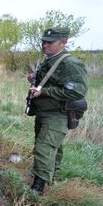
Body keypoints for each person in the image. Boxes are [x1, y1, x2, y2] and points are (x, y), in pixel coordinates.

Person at [27, 27, 88, 194]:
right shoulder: (50, 59)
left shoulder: (70, 63)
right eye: (43, 42)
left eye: (49, 42)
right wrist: (35, 78)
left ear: (63, 42)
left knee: (44, 148)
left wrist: (44, 91)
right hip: (44, 112)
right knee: (53, 146)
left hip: (57, 114)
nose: (44, 45)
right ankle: (51, 177)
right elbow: (53, 81)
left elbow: (77, 91)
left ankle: (37, 189)